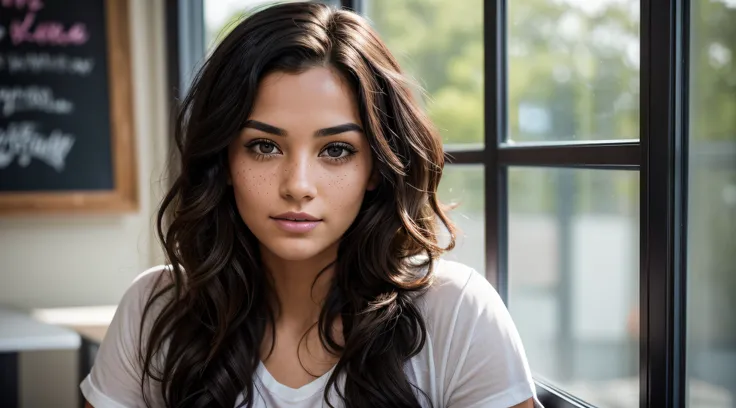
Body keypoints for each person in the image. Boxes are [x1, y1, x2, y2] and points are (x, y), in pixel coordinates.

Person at [80, 2, 541, 407]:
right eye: (264, 146)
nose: (297, 185)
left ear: (377, 168)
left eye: (336, 150)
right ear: (222, 159)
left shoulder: (455, 312)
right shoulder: (155, 309)